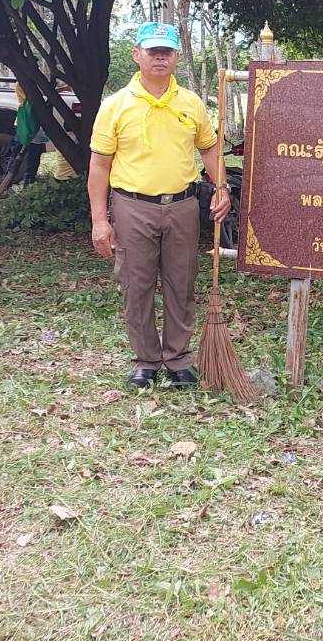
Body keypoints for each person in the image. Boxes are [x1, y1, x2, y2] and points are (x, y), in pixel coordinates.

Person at [88, 22, 229, 390]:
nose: (160, 57)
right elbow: (99, 165)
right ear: (138, 55)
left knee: (181, 284)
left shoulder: (191, 103)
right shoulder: (115, 106)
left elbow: (209, 148)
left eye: (166, 51)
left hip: (182, 205)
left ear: (176, 57)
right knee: (136, 286)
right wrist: (100, 220)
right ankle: (146, 361)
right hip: (132, 206)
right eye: (153, 51)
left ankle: (179, 359)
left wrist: (221, 187)